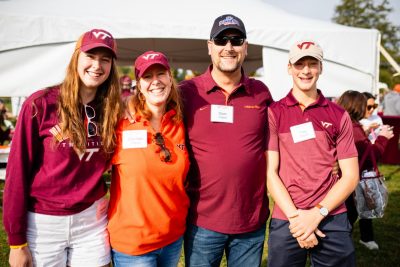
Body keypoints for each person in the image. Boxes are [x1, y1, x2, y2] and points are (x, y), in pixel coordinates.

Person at [3, 28, 122, 267]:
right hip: (43, 222)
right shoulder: (40, 104)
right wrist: (16, 242)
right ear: (76, 58)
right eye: (90, 56)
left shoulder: (113, 110)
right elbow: (16, 174)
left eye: (105, 59)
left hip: (91, 220)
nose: (97, 65)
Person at [180, 14, 273, 266]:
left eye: (236, 40)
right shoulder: (186, 93)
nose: (229, 47)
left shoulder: (261, 92)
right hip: (202, 221)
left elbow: (279, 143)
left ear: (245, 47)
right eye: (222, 40)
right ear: (210, 47)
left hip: (250, 220)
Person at [266, 40, 359, 266]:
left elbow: (351, 175)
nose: (306, 70)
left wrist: (317, 214)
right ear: (289, 68)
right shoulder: (274, 112)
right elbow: (270, 173)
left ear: (321, 68)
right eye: (299, 64)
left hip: (331, 216)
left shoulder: (339, 114)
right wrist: (299, 220)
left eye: (312, 64)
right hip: (288, 217)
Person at [108, 51, 189, 267]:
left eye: (161, 73)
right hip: (134, 245)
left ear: (170, 78)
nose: (155, 81)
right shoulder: (120, 123)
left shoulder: (181, 122)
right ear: (139, 85)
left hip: (172, 237)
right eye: (147, 76)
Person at [337, 90, 394, 251]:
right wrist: (383, 138)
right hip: (352, 181)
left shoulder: (345, 123)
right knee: (350, 216)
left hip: (344, 179)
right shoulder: (353, 127)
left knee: (349, 215)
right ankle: (341, 248)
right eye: (367, 107)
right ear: (358, 107)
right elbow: (369, 156)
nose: (370, 111)